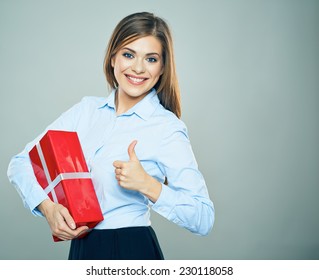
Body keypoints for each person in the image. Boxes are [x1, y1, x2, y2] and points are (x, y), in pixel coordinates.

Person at [7, 11, 214, 260]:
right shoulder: (86, 111)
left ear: (161, 68)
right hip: (82, 249)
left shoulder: (166, 127)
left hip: (132, 249)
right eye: (129, 54)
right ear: (113, 57)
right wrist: (47, 208)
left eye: (151, 59)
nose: (138, 68)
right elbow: (20, 164)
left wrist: (148, 185)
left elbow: (203, 218)